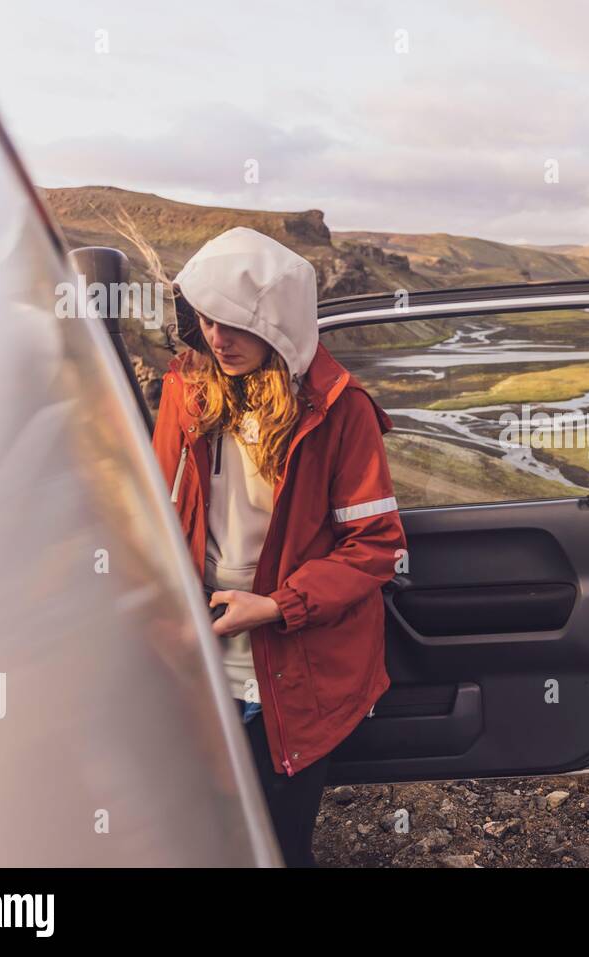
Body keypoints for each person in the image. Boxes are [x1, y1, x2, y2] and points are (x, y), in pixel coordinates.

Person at [151, 226, 405, 866]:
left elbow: (374, 545)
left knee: (281, 845)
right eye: (206, 319)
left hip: (293, 664)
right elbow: (155, 507)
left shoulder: (340, 411)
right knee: (204, 835)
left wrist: (276, 607)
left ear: (282, 325)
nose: (216, 338)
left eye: (235, 323)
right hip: (201, 650)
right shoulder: (186, 390)